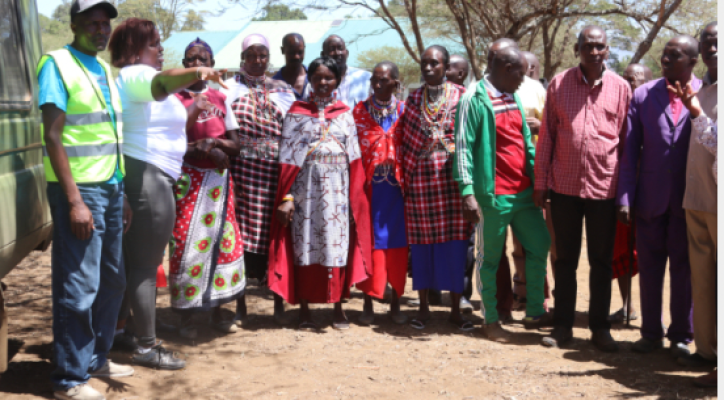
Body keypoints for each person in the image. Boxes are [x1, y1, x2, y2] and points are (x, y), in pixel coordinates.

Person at [109, 17, 226, 370]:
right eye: (154, 43)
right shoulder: (137, 75)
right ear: (133, 50)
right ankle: (146, 346)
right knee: (145, 266)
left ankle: (120, 330)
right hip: (146, 175)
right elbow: (161, 83)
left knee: (134, 264)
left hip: (152, 175)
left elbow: (161, 116)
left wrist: (193, 107)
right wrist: (201, 72)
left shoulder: (138, 80)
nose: (161, 49)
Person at [38, 1, 134, 398]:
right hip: (80, 191)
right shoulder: (56, 64)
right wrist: (75, 201)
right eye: (92, 22)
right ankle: (69, 378)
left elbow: (108, 136)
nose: (101, 29)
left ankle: (96, 356)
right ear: (74, 24)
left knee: (113, 280)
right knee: (79, 286)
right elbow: (54, 136)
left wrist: (122, 190)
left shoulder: (105, 70)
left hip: (110, 187)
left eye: (105, 22)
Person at [534, 25, 631, 352]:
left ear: (607, 50)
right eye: (587, 46)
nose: (593, 52)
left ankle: (600, 328)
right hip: (564, 187)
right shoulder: (560, 84)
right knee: (565, 260)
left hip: (605, 187)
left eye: (599, 46)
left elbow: (626, 143)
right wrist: (540, 183)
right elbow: (547, 135)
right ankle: (562, 326)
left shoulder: (620, 88)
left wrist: (626, 193)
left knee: (602, 261)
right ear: (577, 49)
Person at [454, 47, 551, 342]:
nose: (526, 78)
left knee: (539, 244)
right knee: (489, 258)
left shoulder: (513, 96)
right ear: (506, 68)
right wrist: (467, 192)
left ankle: (534, 311)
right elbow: (463, 148)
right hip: (491, 195)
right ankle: (491, 319)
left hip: (523, 192)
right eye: (521, 72)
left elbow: (525, 142)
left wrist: (538, 180)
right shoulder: (474, 98)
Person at [268, 57, 372, 331]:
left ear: (337, 80)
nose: (323, 83)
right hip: (306, 194)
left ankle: (338, 307)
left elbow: (355, 160)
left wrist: (354, 201)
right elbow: (288, 161)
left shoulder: (345, 113)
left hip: (338, 193)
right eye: (318, 78)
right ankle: (304, 308)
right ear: (309, 80)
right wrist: (287, 198)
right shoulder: (296, 112)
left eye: (329, 78)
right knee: (304, 247)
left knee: (338, 247)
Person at [617, 36, 701, 357]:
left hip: (688, 200)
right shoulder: (642, 94)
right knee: (650, 268)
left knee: (683, 270)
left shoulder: (706, 94)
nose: (665, 61)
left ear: (693, 62)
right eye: (664, 56)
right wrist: (624, 198)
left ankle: (681, 334)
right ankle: (650, 332)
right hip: (649, 200)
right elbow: (630, 152)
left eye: (675, 56)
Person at [168, 38, 244, 338]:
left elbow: (236, 145)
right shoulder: (172, 99)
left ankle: (217, 311)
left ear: (211, 63)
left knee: (222, 243)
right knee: (185, 243)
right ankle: (186, 316)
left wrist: (213, 143)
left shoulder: (220, 97)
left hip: (218, 183)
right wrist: (200, 149)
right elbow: (169, 145)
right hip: (187, 181)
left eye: (202, 58)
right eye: (190, 59)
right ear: (184, 64)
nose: (196, 64)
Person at [398, 45, 474, 331]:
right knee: (422, 246)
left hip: (452, 182)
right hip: (420, 182)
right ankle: (424, 309)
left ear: (445, 66)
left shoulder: (462, 97)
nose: (428, 68)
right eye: (424, 63)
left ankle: (456, 310)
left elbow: (468, 138)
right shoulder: (414, 97)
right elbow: (406, 140)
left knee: (455, 245)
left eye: (435, 64)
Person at [222, 33, 296, 325]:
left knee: (275, 237)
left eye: (262, 55)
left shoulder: (284, 89)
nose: (257, 61)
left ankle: (278, 302)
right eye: (251, 55)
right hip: (241, 173)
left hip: (274, 175)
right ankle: (240, 305)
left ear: (269, 57)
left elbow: (292, 131)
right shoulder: (228, 87)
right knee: (239, 239)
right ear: (243, 57)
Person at [672, 21, 718, 386]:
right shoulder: (701, 91)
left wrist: (696, 113)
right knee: (703, 282)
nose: (712, 47)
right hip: (697, 199)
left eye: (719, 41)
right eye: (707, 42)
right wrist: (693, 105)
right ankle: (708, 352)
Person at [353, 61, 408, 325]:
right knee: (370, 241)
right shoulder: (359, 112)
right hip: (369, 188)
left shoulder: (405, 112)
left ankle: (396, 302)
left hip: (398, 190)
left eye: (382, 79)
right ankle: (367, 303)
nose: (376, 83)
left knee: (397, 243)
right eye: (374, 79)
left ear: (395, 84)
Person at [607, 63, 652, 325]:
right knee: (621, 250)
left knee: (648, 252)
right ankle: (627, 306)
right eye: (624, 79)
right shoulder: (616, 108)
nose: (628, 85)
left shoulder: (655, 108)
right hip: (621, 190)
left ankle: (652, 314)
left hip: (651, 193)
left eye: (633, 80)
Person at [320, 35, 372, 107]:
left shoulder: (366, 78)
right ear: (323, 55)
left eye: (340, 48)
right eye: (332, 49)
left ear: (347, 53)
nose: (337, 53)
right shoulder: (317, 82)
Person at [273, 33, 310, 100]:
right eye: (292, 52)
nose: (296, 56)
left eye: (300, 52)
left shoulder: (315, 77)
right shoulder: (274, 84)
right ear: (282, 50)